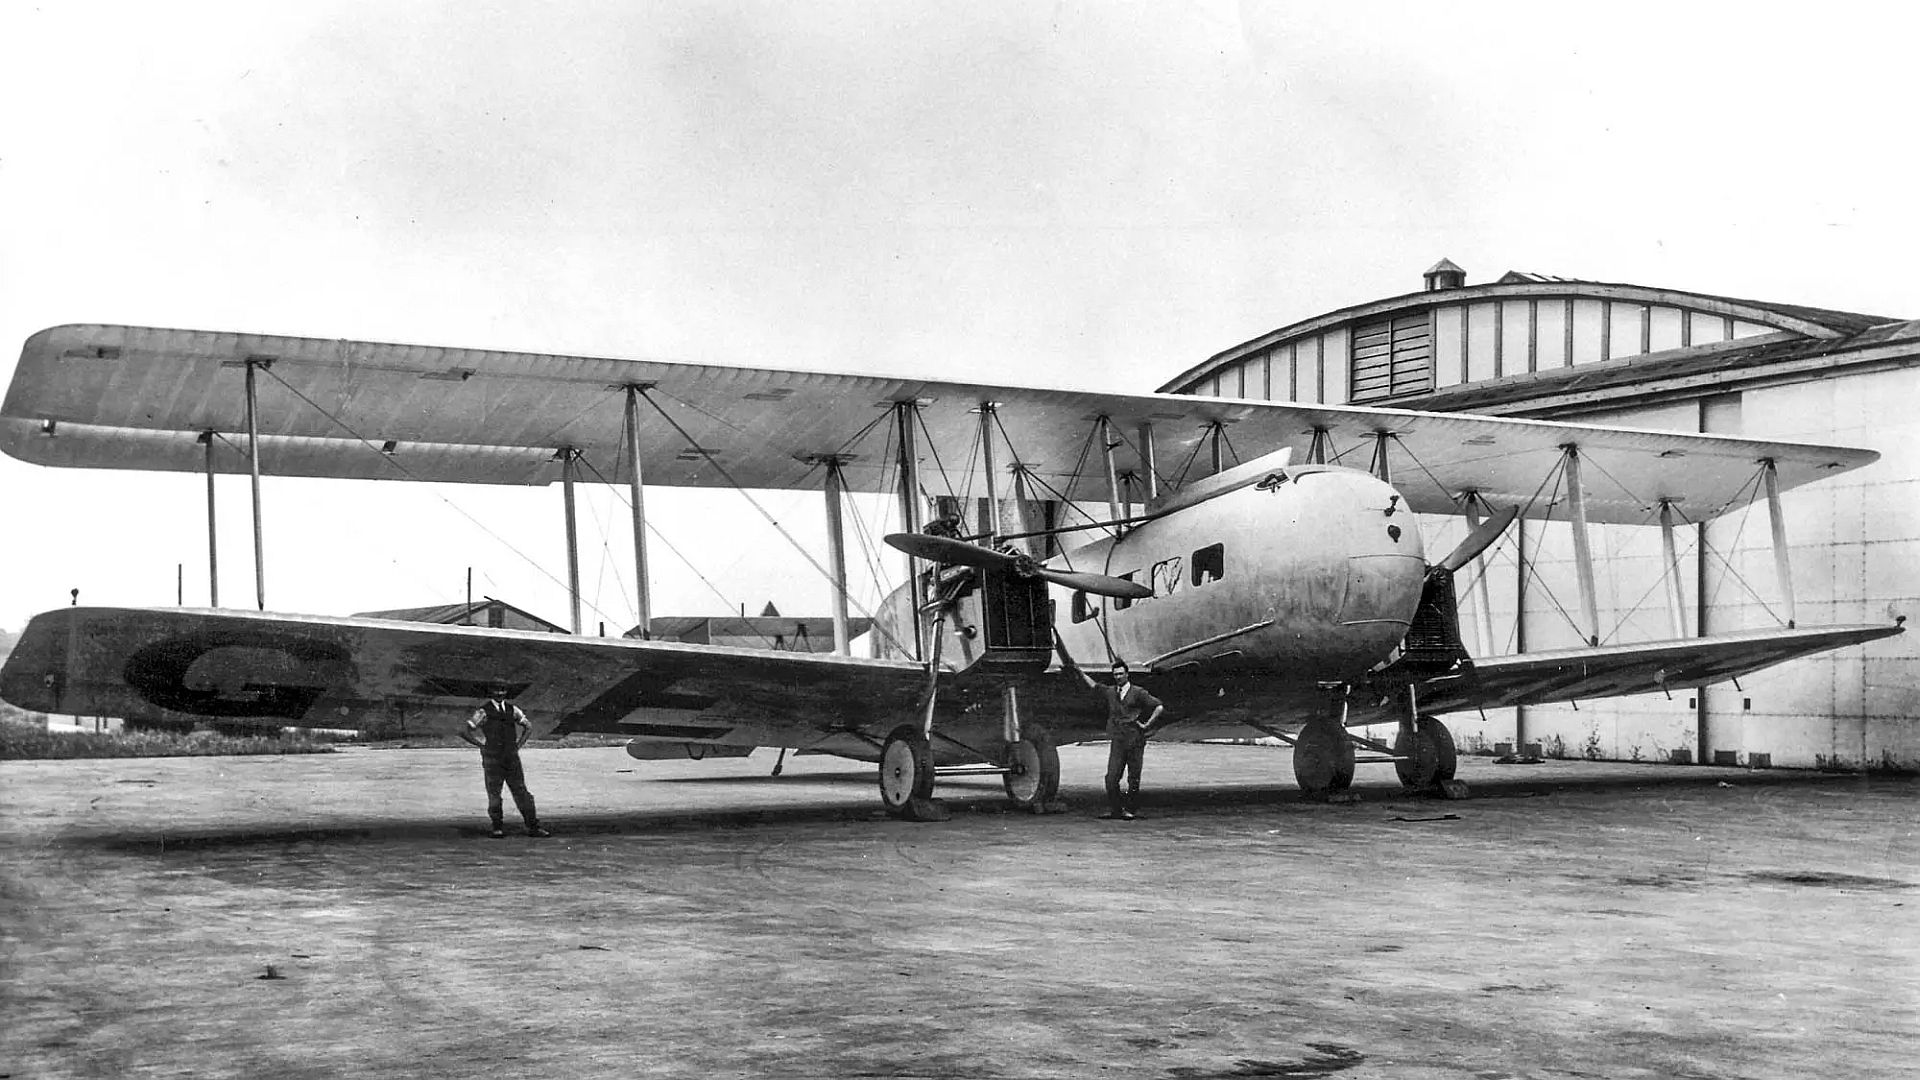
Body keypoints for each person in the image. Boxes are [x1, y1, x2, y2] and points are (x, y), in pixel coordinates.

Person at [1073, 659, 1165, 820]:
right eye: (1115, 674)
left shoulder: (1138, 692)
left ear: (1127, 674)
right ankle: (1116, 809)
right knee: (1111, 777)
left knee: (1133, 777)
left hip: (1135, 739)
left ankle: (1130, 810)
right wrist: (1079, 671)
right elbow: (1094, 685)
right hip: (1118, 739)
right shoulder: (1110, 692)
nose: (1118, 677)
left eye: (1121, 674)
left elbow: (1159, 706)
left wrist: (1147, 725)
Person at [459, 683, 552, 838]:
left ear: (506, 692)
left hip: (511, 757)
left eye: (502, 690)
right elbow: (464, 730)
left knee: (521, 792)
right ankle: (497, 827)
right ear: (491, 692)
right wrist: (481, 746)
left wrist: (518, 746)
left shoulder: (512, 709)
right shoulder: (483, 711)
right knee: (494, 793)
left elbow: (528, 727)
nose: (500, 693)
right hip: (493, 758)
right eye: (497, 690)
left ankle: (533, 827)